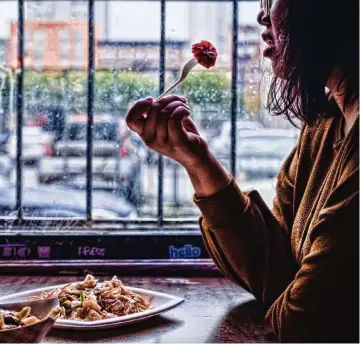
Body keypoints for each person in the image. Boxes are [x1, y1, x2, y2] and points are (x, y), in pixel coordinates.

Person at [126, 0, 359, 341]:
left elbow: (307, 318)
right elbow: (276, 269)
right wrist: (198, 162)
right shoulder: (324, 127)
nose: (262, 16)